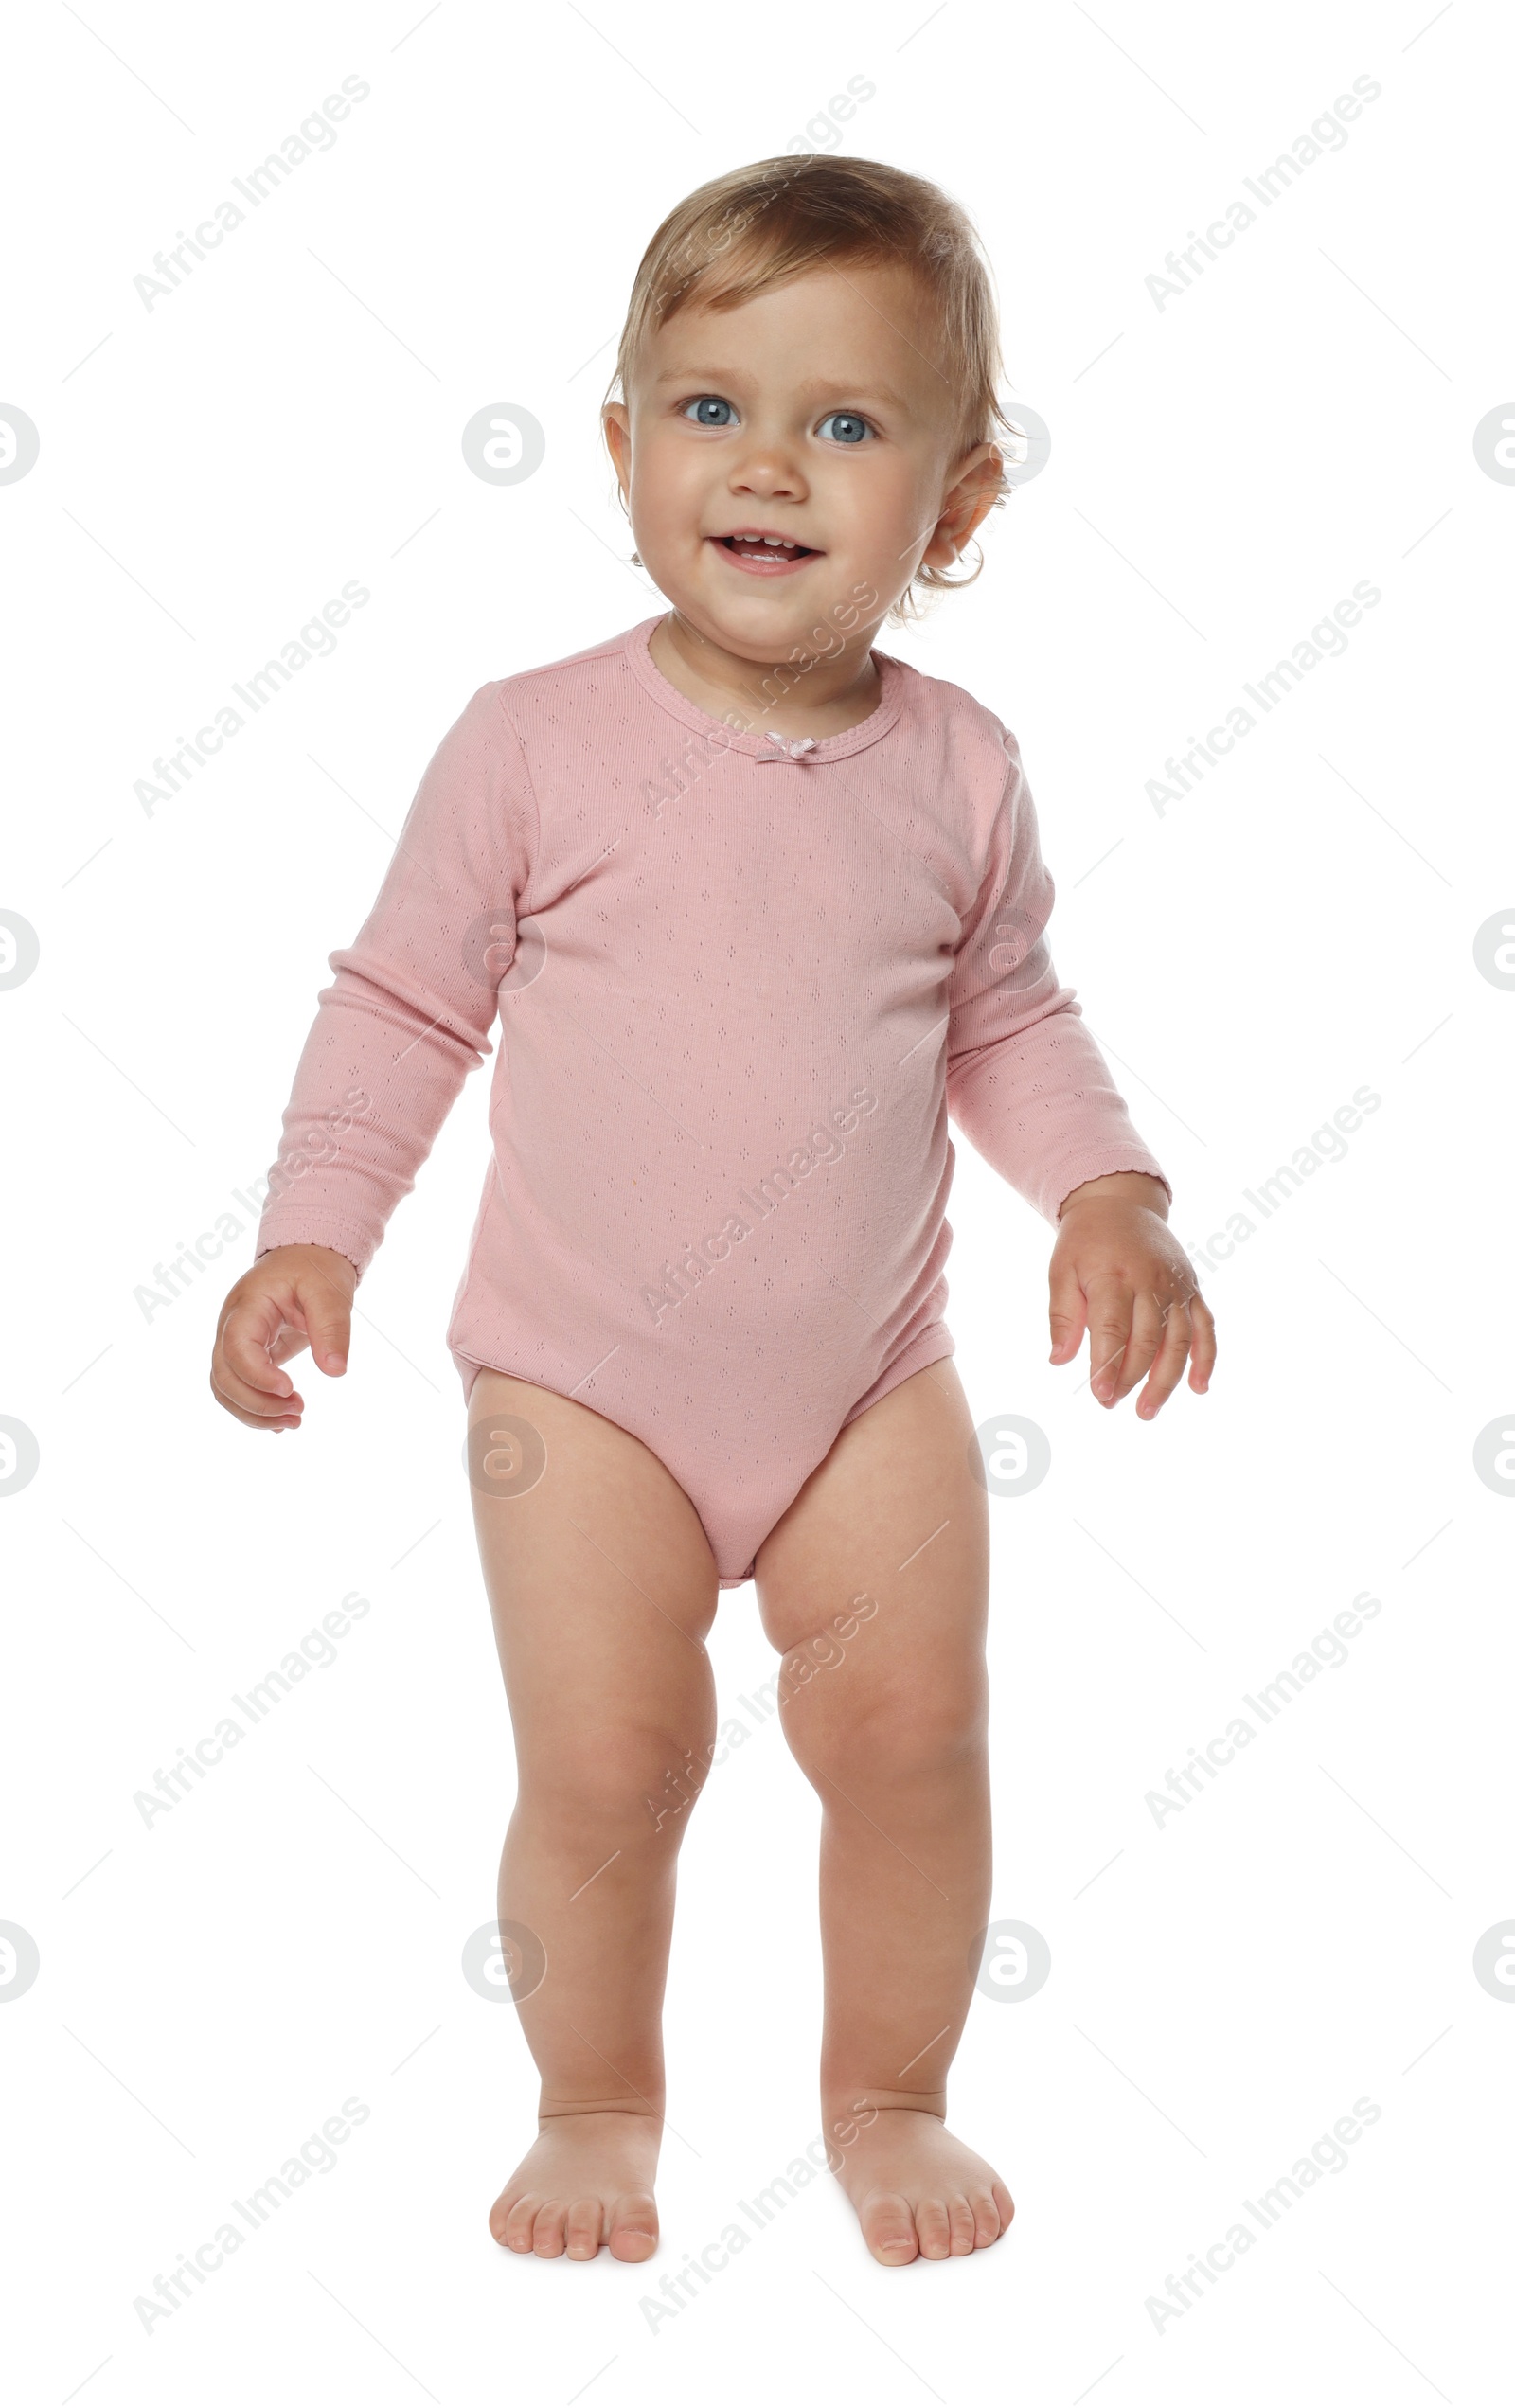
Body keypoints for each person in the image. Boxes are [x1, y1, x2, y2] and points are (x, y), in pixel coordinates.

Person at [209, 153, 1215, 2271]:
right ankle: (593, 2103)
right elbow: (402, 1001)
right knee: (609, 1762)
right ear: (620, 444)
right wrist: (317, 1231)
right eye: (708, 408)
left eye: (845, 425)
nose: (766, 464)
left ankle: (884, 2091)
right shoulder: (530, 746)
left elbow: (1006, 1017)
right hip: (580, 1387)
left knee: (916, 1739)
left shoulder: (957, 771)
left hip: (867, 1383)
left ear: (952, 509)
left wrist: (1106, 1195)